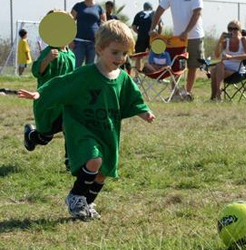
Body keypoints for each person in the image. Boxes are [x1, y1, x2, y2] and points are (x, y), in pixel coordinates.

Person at [18, 20, 155, 220]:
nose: (120, 58)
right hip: (83, 129)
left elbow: (133, 99)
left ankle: (87, 204)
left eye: (124, 54)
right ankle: (75, 196)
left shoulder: (123, 78)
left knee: (102, 172)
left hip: (107, 130)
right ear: (100, 49)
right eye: (115, 52)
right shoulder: (85, 74)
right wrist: (39, 94)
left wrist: (144, 112)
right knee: (94, 160)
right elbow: (62, 84)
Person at [24, 10, 76, 168]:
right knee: (45, 137)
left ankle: (70, 161)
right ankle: (30, 135)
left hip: (65, 103)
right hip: (49, 103)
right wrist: (47, 60)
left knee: (71, 128)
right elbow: (36, 71)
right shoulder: (49, 52)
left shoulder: (71, 55)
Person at [149, 0, 205, 100]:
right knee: (176, 67)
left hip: (195, 36)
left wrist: (186, 32)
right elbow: (159, 10)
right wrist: (153, 28)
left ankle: (187, 94)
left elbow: (197, 13)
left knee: (192, 66)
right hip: (177, 38)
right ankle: (174, 94)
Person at [209, 20, 246, 101]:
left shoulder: (243, 39)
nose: (232, 31)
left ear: (239, 30)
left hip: (237, 70)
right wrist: (220, 41)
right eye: (230, 28)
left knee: (214, 72)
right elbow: (217, 55)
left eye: (235, 29)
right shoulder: (226, 41)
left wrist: (231, 57)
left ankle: (214, 97)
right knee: (218, 66)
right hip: (224, 68)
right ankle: (217, 95)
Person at [71, 0, 106, 67]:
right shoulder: (78, 6)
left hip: (94, 43)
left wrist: (101, 42)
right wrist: (70, 40)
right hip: (79, 42)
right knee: (76, 67)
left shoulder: (99, 8)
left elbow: (104, 26)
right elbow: (70, 23)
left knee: (91, 67)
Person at [132, 2, 162, 79]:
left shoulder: (139, 14)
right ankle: (159, 76)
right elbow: (161, 25)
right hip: (152, 38)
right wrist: (158, 36)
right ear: (151, 7)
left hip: (141, 38)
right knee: (157, 56)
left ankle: (136, 77)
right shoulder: (155, 13)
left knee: (139, 57)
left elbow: (134, 27)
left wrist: (140, 33)